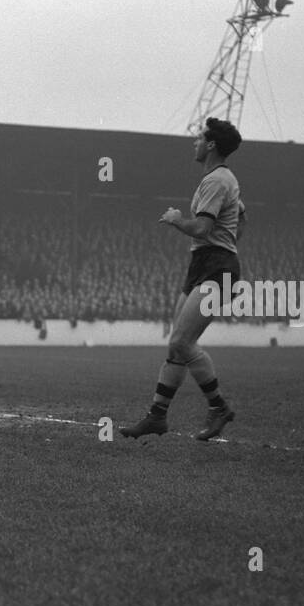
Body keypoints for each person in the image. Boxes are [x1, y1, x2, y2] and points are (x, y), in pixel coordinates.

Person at [120, 116, 245, 442]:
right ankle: (157, 416)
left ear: (212, 144)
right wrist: (230, 242)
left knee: (180, 342)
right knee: (176, 346)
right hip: (206, 264)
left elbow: (202, 228)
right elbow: (241, 215)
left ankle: (219, 407)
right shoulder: (221, 180)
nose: (195, 142)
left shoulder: (216, 181)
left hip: (216, 268)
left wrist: (177, 220)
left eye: (199, 138)